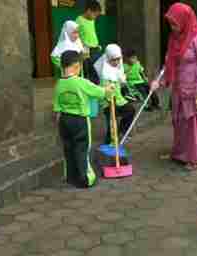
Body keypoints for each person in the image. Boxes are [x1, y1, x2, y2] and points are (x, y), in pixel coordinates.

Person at [151, 3, 197, 170]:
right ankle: (179, 154)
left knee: (193, 124)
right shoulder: (174, 38)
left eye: (175, 23)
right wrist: (160, 81)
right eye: (170, 23)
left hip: (194, 88)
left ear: (185, 20)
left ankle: (194, 159)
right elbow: (169, 63)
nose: (172, 27)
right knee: (179, 122)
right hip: (179, 87)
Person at [53, 50, 114, 188]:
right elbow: (100, 92)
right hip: (80, 121)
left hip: (64, 120)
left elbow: (56, 108)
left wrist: (60, 122)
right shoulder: (81, 82)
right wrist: (109, 88)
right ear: (76, 66)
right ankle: (84, 178)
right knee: (82, 149)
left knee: (68, 149)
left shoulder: (59, 84)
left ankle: (70, 176)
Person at [94, 44, 136, 144]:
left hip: (118, 99)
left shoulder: (118, 67)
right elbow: (105, 90)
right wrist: (110, 100)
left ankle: (121, 131)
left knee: (130, 111)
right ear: (108, 58)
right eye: (113, 60)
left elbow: (121, 81)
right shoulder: (105, 72)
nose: (116, 62)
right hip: (108, 102)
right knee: (112, 124)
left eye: (118, 59)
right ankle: (109, 143)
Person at [76, 0, 102, 83]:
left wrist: (96, 44)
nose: (95, 17)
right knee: (88, 73)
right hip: (86, 51)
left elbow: (92, 34)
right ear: (88, 11)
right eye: (94, 14)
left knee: (98, 71)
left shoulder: (92, 20)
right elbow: (77, 36)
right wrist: (82, 47)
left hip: (96, 49)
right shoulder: (79, 20)